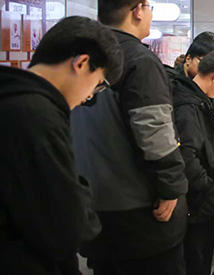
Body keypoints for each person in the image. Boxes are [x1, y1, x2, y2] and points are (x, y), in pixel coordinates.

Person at [71, 0, 189, 274]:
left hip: (93, 204)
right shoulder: (138, 60)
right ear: (137, 10)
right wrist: (171, 187)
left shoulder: (80, 58)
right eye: (149, 7)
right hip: (140, 211)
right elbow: (154, 130)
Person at [0, 16, 123, 275]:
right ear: (82, 63)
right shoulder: (36, 116)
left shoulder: (12, 98)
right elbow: (71, 224)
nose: (89, 96)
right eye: (98, 84)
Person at [171, 50, 214, 275]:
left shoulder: (202, 101)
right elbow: (186, 154)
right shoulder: (188, 105)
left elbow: (209, 148)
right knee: (198, 261)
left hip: (205, 203)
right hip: (199, 205)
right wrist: (209, 185)